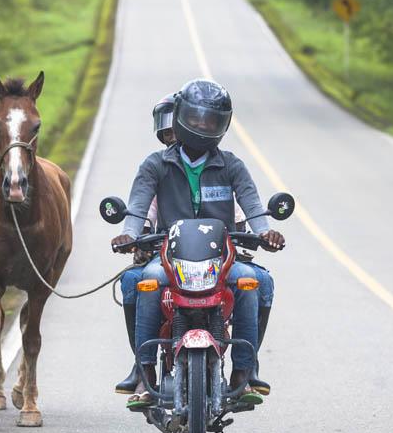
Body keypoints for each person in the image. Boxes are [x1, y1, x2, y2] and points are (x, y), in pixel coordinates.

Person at [111, 79, 284, 408]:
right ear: (179, 117)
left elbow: (253, 206)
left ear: (223, 124)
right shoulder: (155, 165)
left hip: (223, 259)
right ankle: (144, 374)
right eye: (195, 118)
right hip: (168, 259)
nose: (203, 126)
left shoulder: (232, 165)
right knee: (140, 281)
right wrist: (129, 235)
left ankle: (244, 373)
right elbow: (136, 209)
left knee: (256, 282)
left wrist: (265, 232)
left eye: (211, 120)